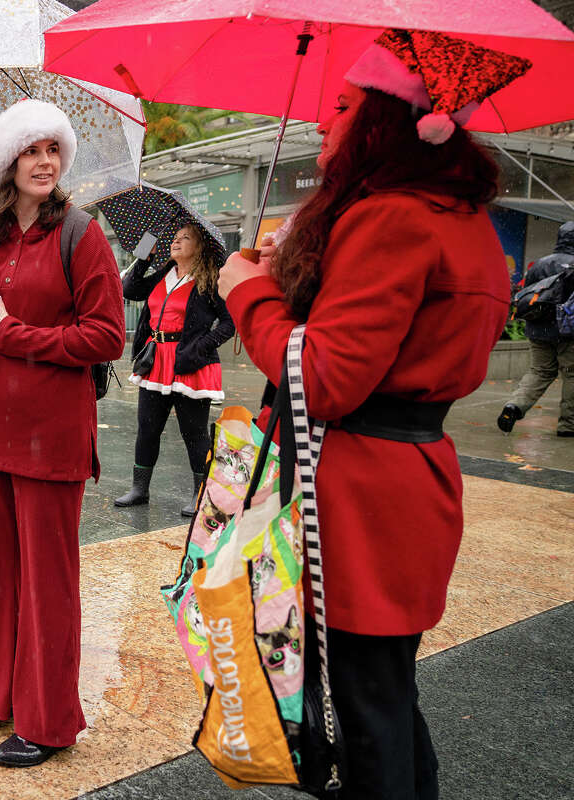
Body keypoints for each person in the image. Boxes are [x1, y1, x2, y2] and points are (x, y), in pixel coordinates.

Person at [217, 30, 528, 799]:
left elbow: (319, 376)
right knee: (384, 698)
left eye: (346, 106)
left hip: (353, 499)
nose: (327, 122)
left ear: (389, 119)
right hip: (405, 485)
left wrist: (245, 290)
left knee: (362, 715)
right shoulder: (461, 218)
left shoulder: (390, 217)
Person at [0, 99, 125, 767]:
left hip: (51, 436)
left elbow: (107, 336)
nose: (45, 161)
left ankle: (46, 720)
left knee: (48, 581)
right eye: (31, 150)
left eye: (53, 150)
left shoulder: (81, 235)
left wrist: (14, 334)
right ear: (7, 163)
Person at [114, 225, 234, 513]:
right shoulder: (163, 273)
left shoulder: (209, 280)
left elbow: (229, 323)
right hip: (155, 362)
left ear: (200, 247)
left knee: (194, 433)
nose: (176, 242)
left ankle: (201, 493)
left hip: (189, 365)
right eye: (175, 237)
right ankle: (139, 489)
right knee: (147, 429)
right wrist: (144, 258)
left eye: (185, 238)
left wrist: (201, 347)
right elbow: (130, 289)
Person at [497, 221, 574, 437]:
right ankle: (568, 425)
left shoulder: (540, 264)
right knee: (572, 375)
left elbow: (527, 295)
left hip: (538, 330)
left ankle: (514, 406)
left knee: (539, 372)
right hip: (569, 332)